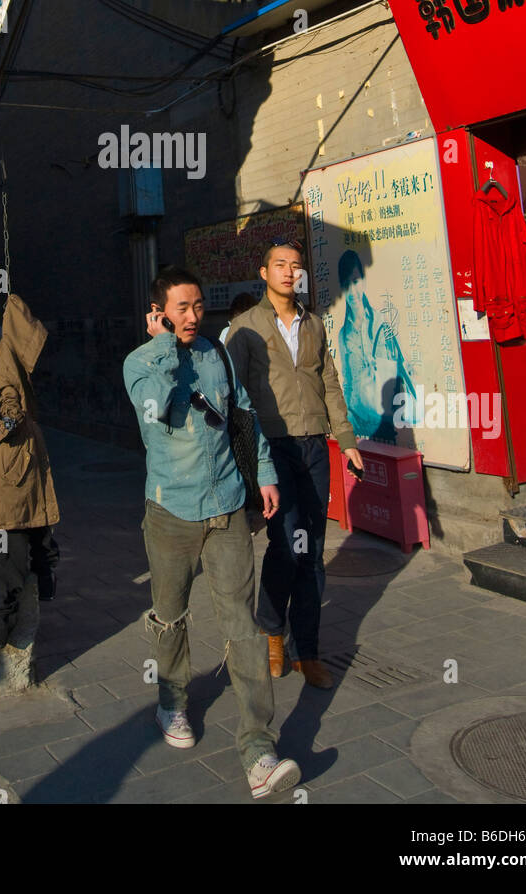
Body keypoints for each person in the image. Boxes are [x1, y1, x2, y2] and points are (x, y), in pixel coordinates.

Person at [123, 265, 300, 800]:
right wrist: (162, 348)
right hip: (171, 512)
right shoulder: (140, 362)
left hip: (225, 509)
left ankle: (258, 748)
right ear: (159, 312)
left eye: (198, 306)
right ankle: (173, 701)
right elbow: (152, 413)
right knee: (170, 614)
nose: (193, 316)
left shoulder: (217, 355)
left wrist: (264, 475)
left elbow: (243, 416)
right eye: (181, 308)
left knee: (242, 625)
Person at [226, 241, 364, 689]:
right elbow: (234, 398)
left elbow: (329, 381)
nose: (289, 272)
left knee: (314, 550)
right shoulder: (244, 328)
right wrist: (243, 461)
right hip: (272, 448)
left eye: (296, 267)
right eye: (280, 265)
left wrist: (345, 439)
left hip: (313, 447)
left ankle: (308, 651)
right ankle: (271, 633)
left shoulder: (315, 325)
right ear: (263, 272)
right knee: (285, 545)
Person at [0, 293, 60, 648]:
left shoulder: (13, 361)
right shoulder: (4, 365)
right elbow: (6, 402)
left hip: (22, 472)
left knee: (35, 536)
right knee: (7, 553)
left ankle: (38, 591)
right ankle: (3, 622)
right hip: (10, 479)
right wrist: (8, 420)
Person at [337, 249, 417, 443]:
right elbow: (347, 382)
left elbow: (391, 376)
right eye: (347, 285)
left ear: (363, 281)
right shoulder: (343, 334)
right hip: (357, 425)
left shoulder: (381, 322)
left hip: (383, 425)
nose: (352, 291)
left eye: (355, 282)